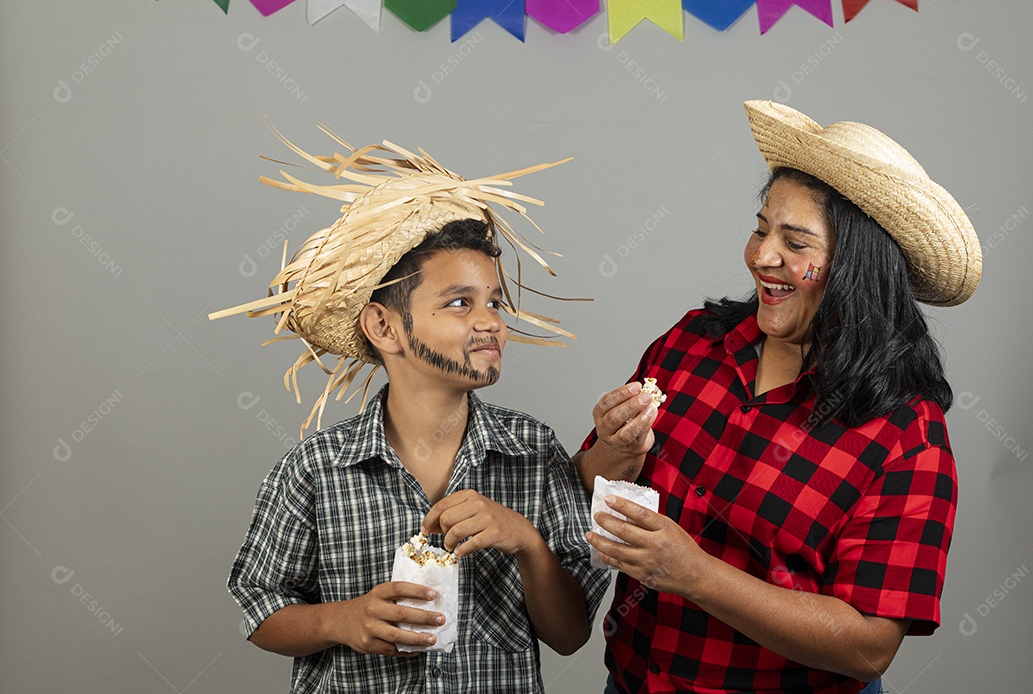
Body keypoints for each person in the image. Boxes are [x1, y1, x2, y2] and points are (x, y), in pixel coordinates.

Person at [575, 100, 981, 694]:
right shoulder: (690, 344)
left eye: (795, 242)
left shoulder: (906, 433)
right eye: (762, 228)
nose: (762, 256)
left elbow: (869, 647)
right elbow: (589, 483)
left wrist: (694, 575)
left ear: (855, 268)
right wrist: (611, 452)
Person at [213, 134, 610, 693]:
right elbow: (258, 609)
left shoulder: (535, 452)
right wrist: (340, 620)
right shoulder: (317, 469)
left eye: (494, 302)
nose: (490, 321)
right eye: (458, 302)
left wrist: (526, 541)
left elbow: (570, 635)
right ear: (383, 327)